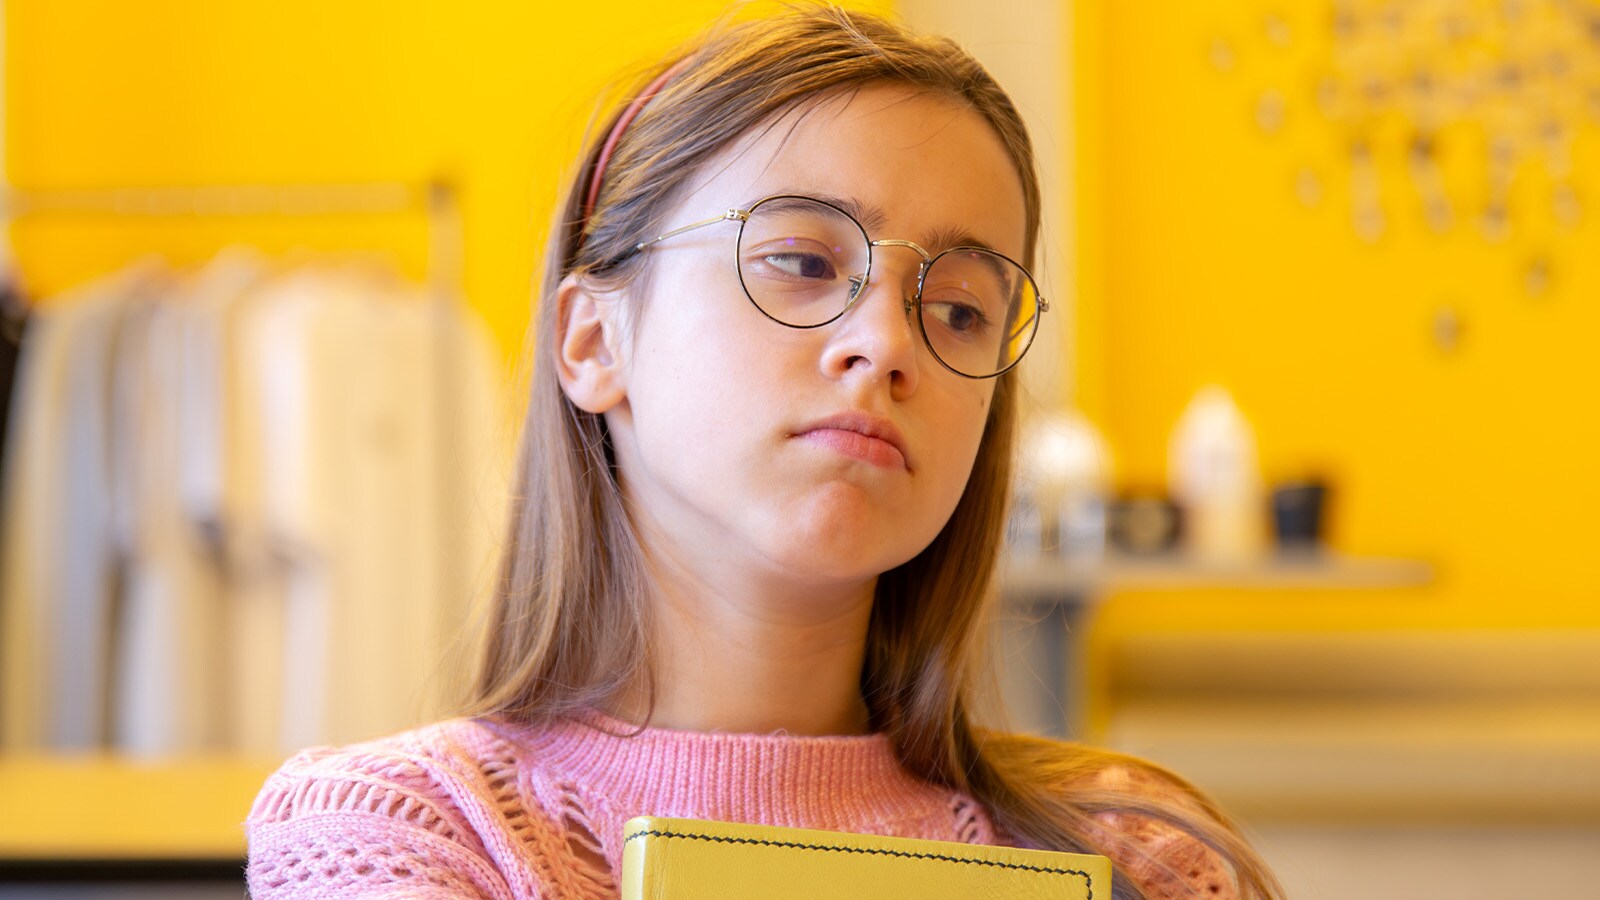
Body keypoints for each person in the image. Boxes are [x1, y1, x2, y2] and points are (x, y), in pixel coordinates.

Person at [246, 6, 1283, 898]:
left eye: (962, 310)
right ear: (594, 341)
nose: (885, 344)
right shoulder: (405, 832)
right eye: (799, 260)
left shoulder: (1138, 858)